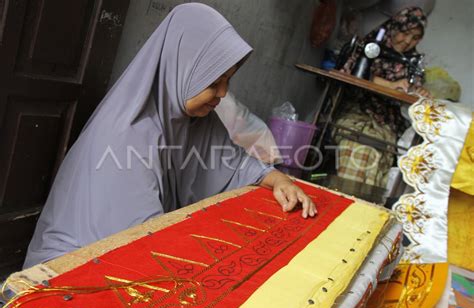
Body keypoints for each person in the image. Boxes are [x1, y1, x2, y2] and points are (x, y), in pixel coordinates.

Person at [23, 3, 316, 269]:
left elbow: (234, 163)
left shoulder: (194, 119)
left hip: (138, 249)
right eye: (214, 82)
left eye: (228, 80)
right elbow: (140, 246)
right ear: (181, 70)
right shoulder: (125, 136)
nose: (223, 93)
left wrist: (279, 179)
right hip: (70, 270)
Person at [335, 7, 431, 187]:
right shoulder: (369, 46)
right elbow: (349, 73)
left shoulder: (411, 61)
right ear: (395, 26)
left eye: (415, 38)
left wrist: (419, 92)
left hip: (387, 126)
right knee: (362, 153)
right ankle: (346, 201)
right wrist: (389, 85)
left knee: (381, 163)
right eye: (405, 32)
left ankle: (363, 208)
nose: (408, 41)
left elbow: (413, 88)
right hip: (358, 115)